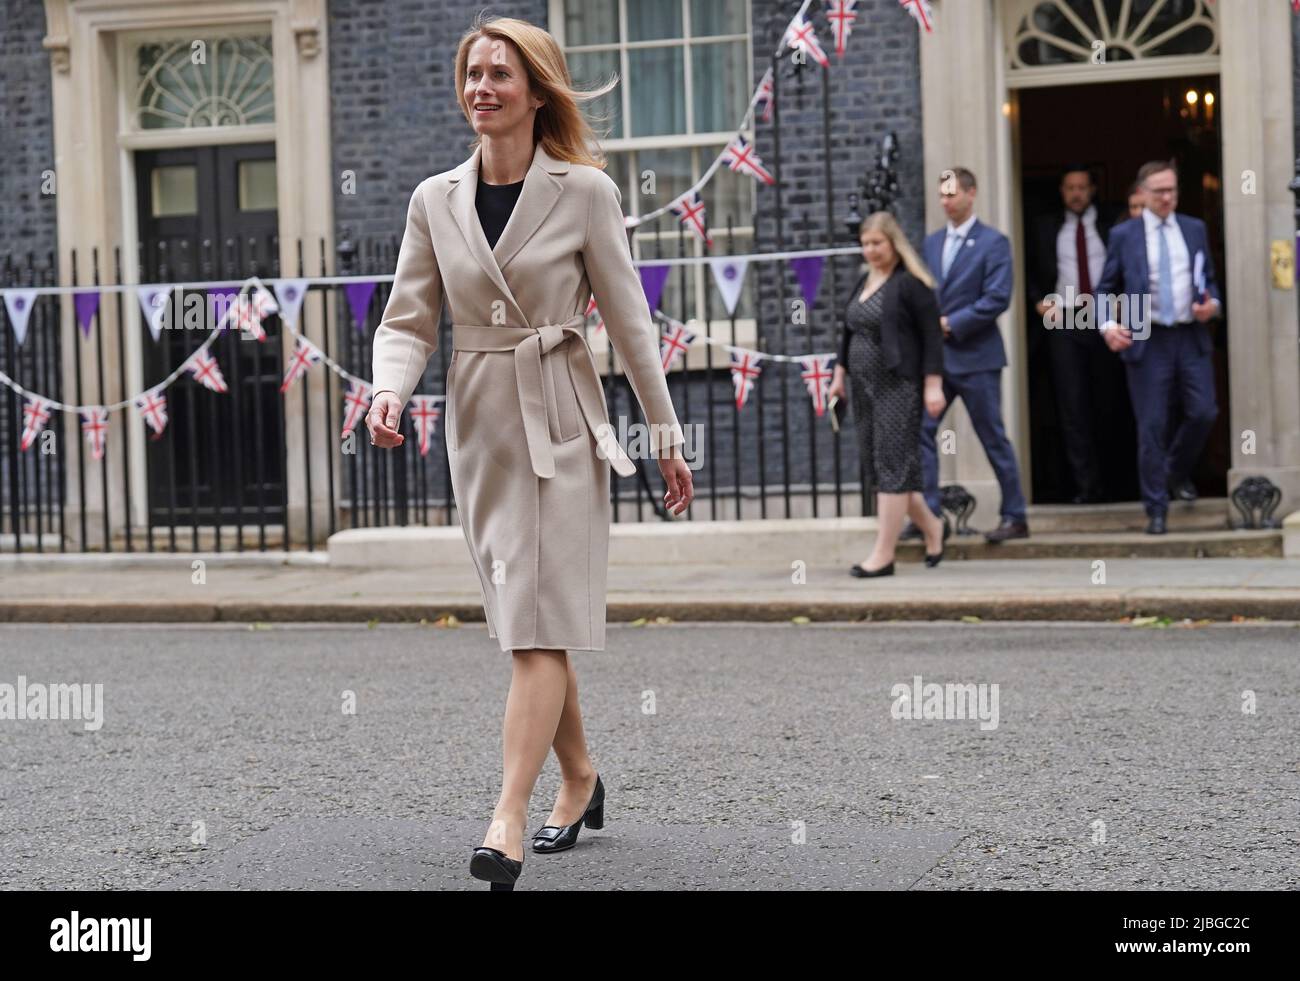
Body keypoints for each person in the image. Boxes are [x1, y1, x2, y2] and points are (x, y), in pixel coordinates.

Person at [364, 14, 694, 890]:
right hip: (479, 428)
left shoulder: (585, 191)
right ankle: (580, 777)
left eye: (500, 74)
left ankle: (507, 814)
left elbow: (630, 324)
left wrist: (663, 432)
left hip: (560, 421)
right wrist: (389, 389)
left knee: (537, 624)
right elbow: (407, 319)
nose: (482, 88)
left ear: (536, 89)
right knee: (528, 625)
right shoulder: (434, 198)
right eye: (472, 73)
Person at [1095, 159, 1221, 535]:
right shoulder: (1125, 236)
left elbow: (1209, 280)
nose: (1167, 198)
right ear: (1142, 195)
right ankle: (1156, 509)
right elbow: (1104, 291)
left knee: (1203, 412)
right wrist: (1107, 326)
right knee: (1152, 426)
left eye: (1172, 190)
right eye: (1159, 192)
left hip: (1189, 334)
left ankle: (1173, 472)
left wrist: (1211, 304)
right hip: (1147, 338)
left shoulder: (1194, 229)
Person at [907, 167, 1030, 543]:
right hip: (937, 362)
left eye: (952, 194)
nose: (945, 201)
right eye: (942, 195)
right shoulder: (930, 244)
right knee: (921, 432)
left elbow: (996, 298)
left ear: (971, 194)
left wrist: (950, 323)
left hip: (977, 358)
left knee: (992, 435)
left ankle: (1015, 515)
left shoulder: (994, 243)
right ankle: (930, 517)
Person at [827, 212, 948, 576]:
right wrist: (838, 376)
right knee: (884, 468)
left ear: (894, 243)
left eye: (877, 243)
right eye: (865, 244)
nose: (870, 250)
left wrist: (933, 384)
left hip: (898, 385)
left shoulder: (911, 284)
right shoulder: (863, 281)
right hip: (862, 388)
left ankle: (883, 555)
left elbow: (931, 338)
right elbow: (848, 333)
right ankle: (934, 527)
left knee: (894, 466)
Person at [1026, 164, 1118, 504]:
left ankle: (1115, 484)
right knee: (1071, 407)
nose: (1076, 194)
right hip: (1064, 320)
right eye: (1070, 188)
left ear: (1093, 189)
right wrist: (1037, 302)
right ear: (1062, 192)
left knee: (1108, 404)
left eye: (1082, 187)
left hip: (1107, 318)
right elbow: (1029, 267)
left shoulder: (1112, 223)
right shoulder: (1044, 227)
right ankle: (1084, 487)